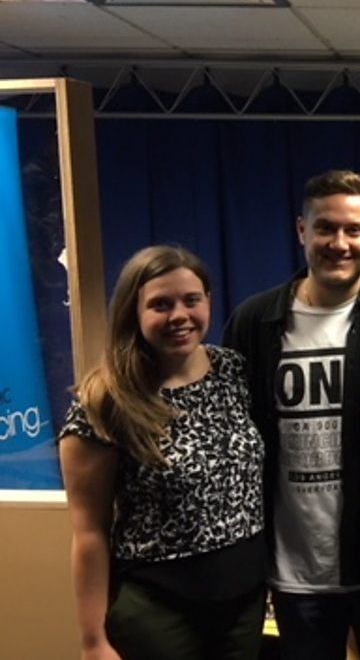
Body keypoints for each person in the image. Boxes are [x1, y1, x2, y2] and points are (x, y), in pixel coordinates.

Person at [222, 170, 360, 660]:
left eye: (353, 230)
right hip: (293, 574)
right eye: (325, 228)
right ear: (302, 230)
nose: (339, 243)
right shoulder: (253, 320)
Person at [59, 245, 266, 660]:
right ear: (133, 312)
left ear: (208, 301)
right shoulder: (106, 401)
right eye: (160, 305)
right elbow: (90, 532)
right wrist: (92, 640)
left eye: (191, 300)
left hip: (244, 605)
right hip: (159, 613)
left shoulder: (233, 370)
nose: (179, 316)